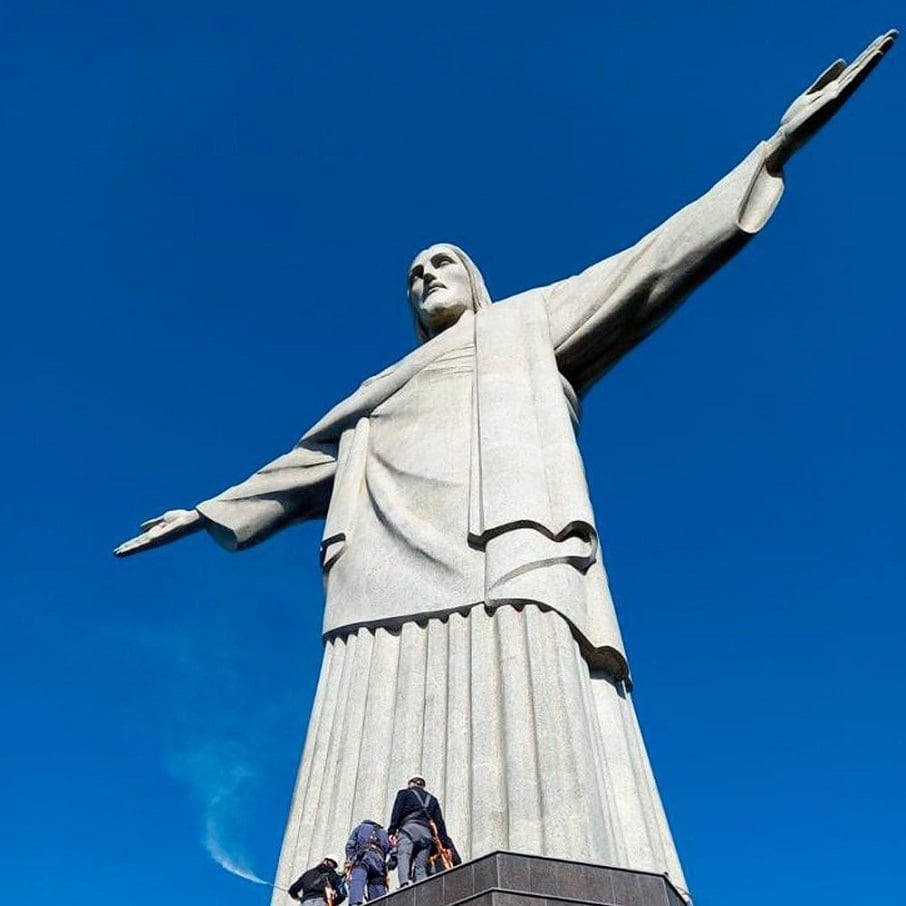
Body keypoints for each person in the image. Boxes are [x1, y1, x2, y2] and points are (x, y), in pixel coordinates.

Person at [113, 31, 897, 901]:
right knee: (365, 705)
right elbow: (308, 465)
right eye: (412, 273)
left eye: (441, 262)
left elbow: (652, 263)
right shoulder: (376, 390)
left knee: (530, 687)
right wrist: (206, 512)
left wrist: (772, 149)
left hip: (505, 542)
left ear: (477, 280)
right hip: (380, 574)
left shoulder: (527, 325)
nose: (424, 276)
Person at [388, 777, 448, 885]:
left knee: (404, 856)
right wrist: (445, 844)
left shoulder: (404, 793)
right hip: (425, 834)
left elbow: (396, 812)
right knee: (421, 866)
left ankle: (404, 883)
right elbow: (440, 823)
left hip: (408, 830)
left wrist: (392, 831)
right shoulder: (432, 799)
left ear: (410, 784)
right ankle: (422, 887)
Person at [344, 819, 394, 904]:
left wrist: (353, 858)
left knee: (358, 880)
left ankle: (355, 903)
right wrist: (389, 865)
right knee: (378, 888)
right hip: (379, 863)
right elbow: (395, 852)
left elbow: (350, 845)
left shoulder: (361, 827)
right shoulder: (385, 834)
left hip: (363, 858)